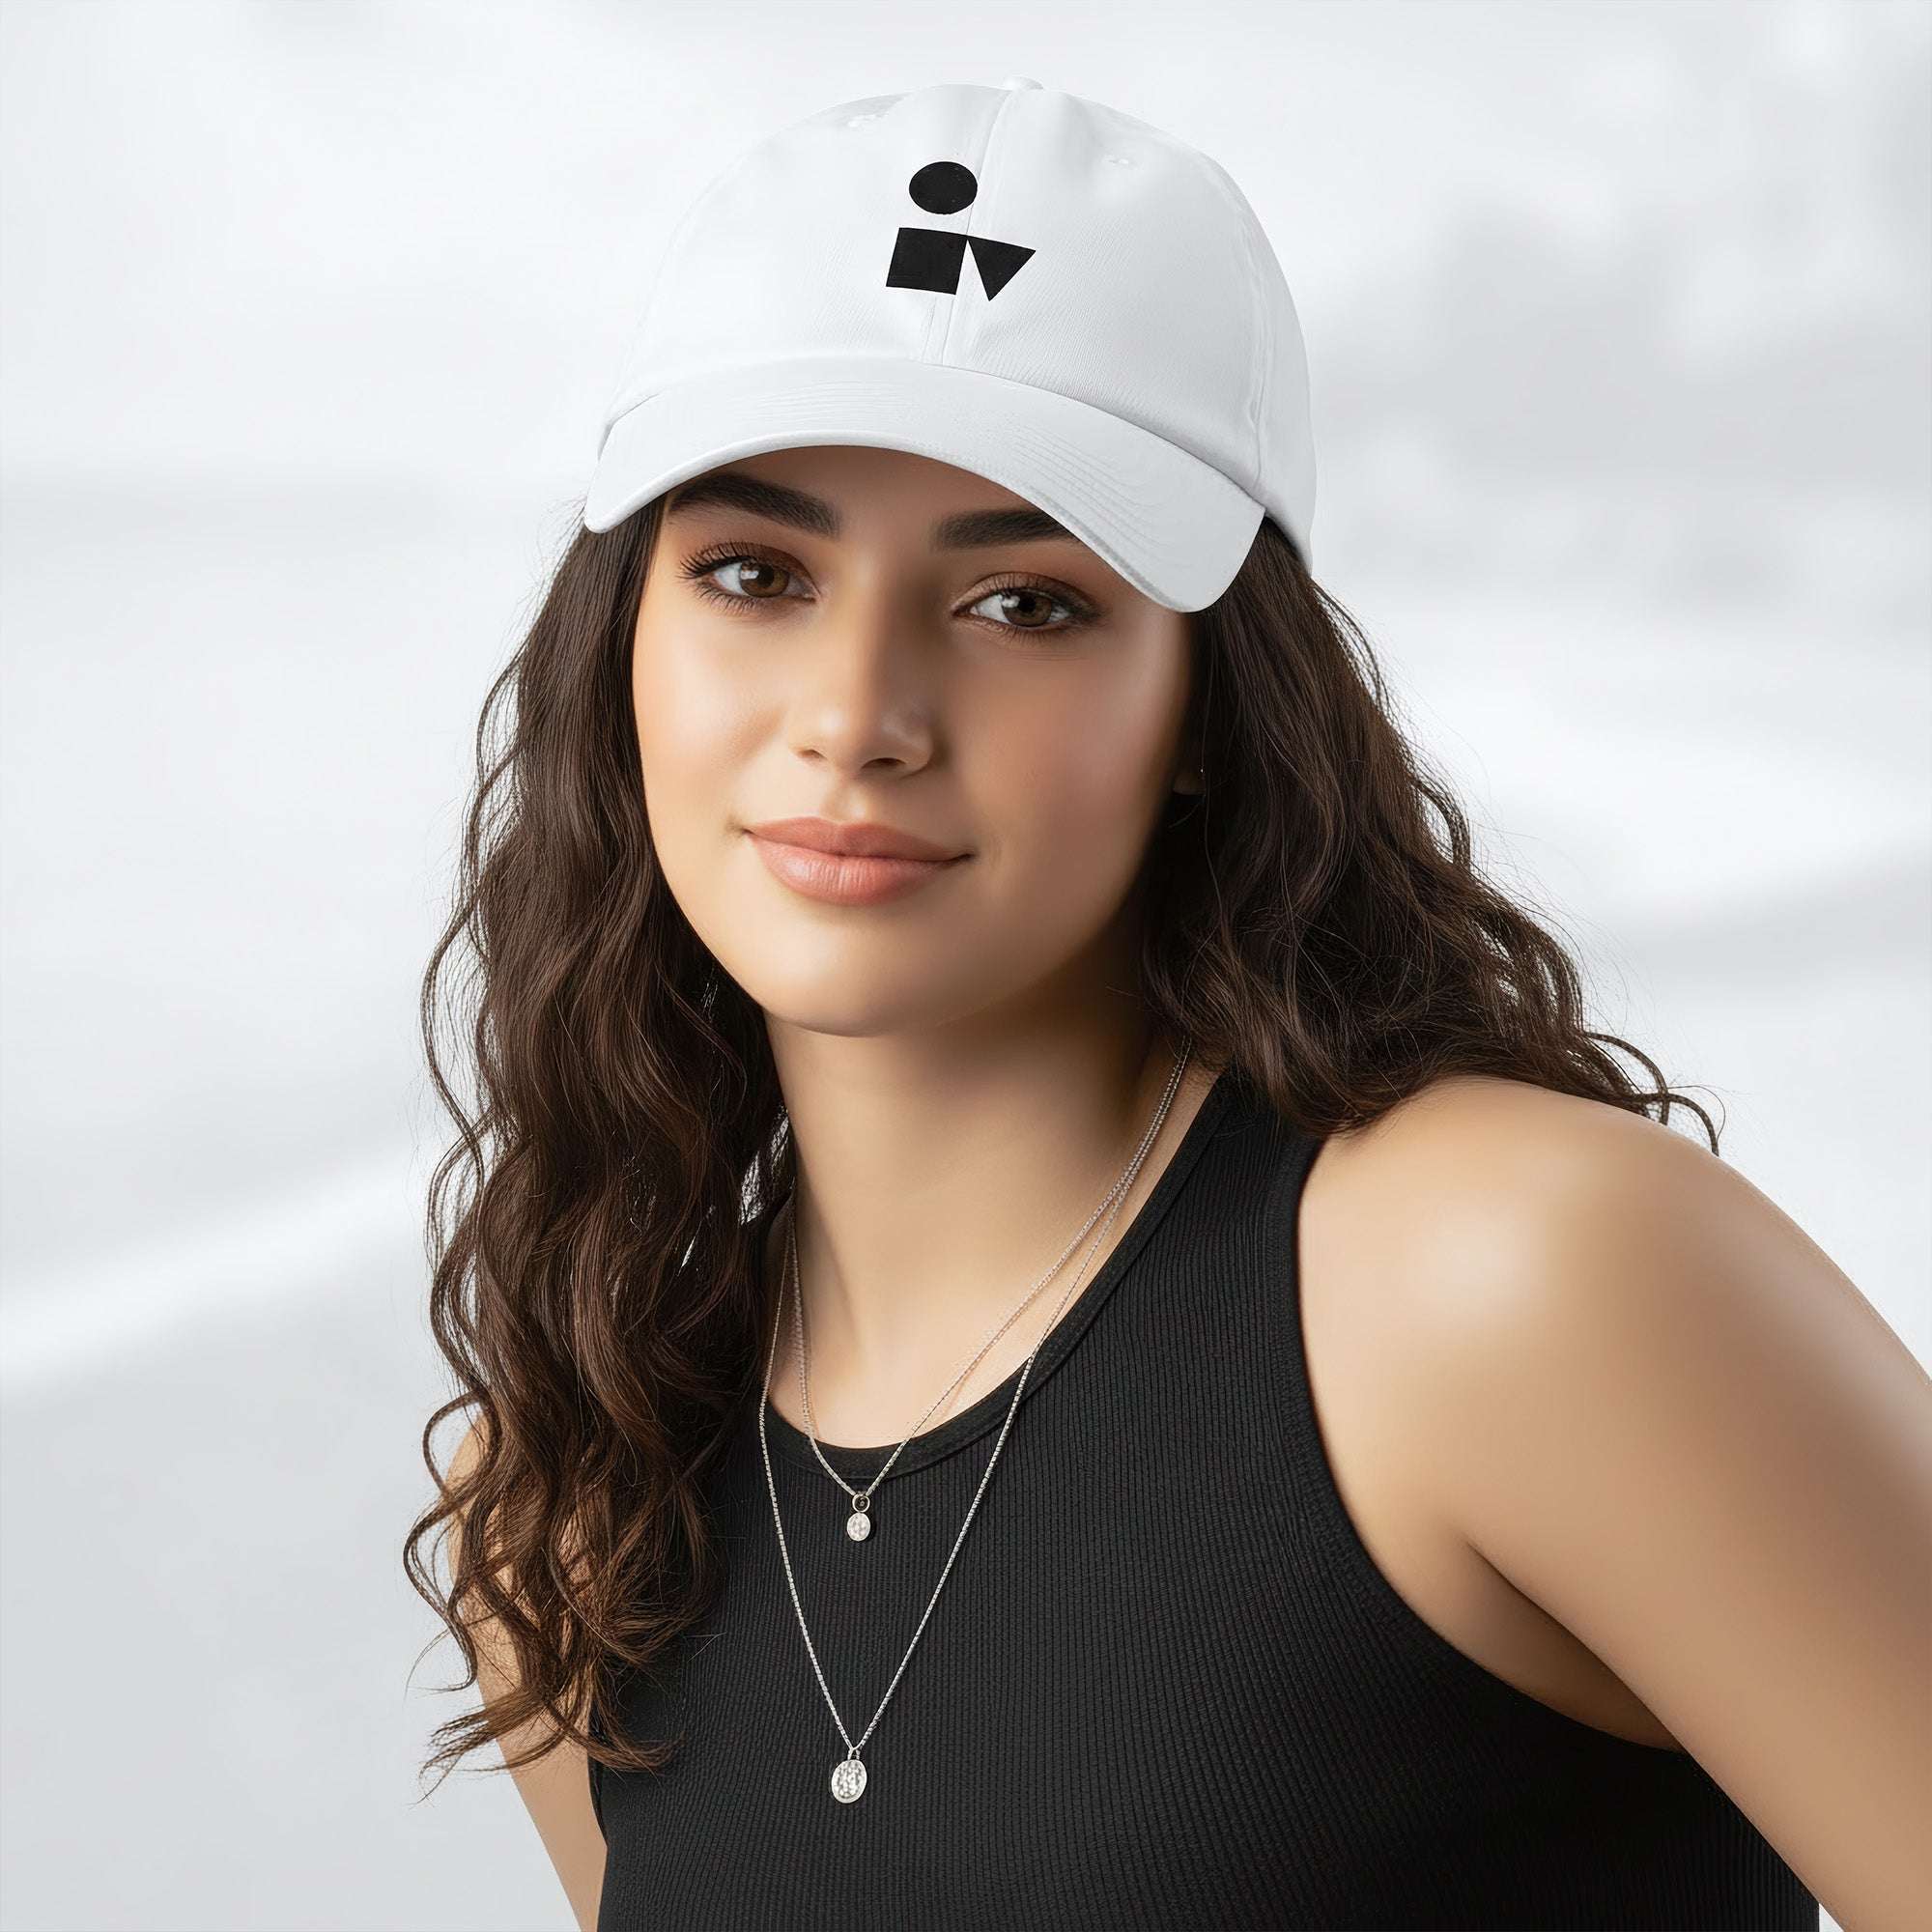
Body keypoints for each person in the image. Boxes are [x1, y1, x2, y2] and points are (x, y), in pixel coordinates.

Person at [406, 79, 1928, 1932]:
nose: (858, 710)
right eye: (756, 574)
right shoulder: (575, 1499)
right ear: (619, 647)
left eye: (1025, 602)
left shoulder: (1515, 1282)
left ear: (1208, 706)